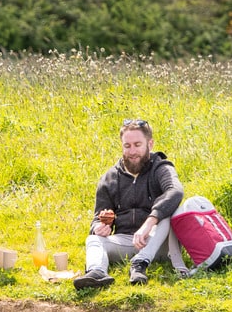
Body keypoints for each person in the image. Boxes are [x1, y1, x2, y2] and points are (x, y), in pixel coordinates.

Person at [73, 118, 184, 290]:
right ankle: (96, 273)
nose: (132, 151)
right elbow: (98, 217)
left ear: (150, 144)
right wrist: (99, 227)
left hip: (159, 243)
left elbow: (175, 191)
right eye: (127, 146)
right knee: (93, 239)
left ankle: (140, 263)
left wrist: (149, 223)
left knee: (169, 212)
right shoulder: (109, 178)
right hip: (126, 241)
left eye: (138, 144)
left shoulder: (161, 168)